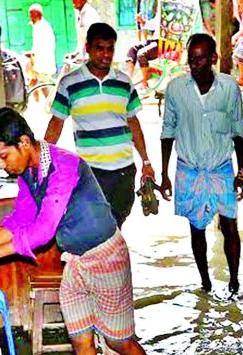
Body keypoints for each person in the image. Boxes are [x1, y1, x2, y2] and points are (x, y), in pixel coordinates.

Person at [0, 107, 172, 355]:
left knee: (119, 342)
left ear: (24, 143)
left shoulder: (63, 166)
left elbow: (43, 231)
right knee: (81, 340)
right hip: (75, 263)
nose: (1, 165)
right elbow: (20, 219)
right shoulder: (28, 174)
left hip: (106, 256)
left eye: (3, 156)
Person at [158, 33, 243, 296]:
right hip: (189, 168)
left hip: (221, 167)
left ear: (213, 59)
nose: (193, 65)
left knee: (230, 226)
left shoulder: (229, 88)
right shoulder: (176, 89)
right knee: (197, 228)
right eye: (191, 59)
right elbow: (167, 131)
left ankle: (234, 282)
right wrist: (164, 174)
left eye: (199, 59)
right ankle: (205, 283)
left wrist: (241, 172)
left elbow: (238, 130)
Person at [46, 23, 154, 228]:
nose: (105, 54)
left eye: (110, 48)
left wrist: (146, 162)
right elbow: (56, 123)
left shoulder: (124, 82)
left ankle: (113, 259)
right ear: (88, 48)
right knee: (96, 226)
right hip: (91, 171)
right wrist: (40, 160)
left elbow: (133, 123)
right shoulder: (69, 83)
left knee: (117, 224)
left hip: (124, 170)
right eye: (99, 48)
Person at [27, 3, 57, 102]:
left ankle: (50, 105)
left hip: (43, 61)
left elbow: (43, 46)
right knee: (33, 82)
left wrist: (33, 54)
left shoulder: (44, 28)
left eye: (33, 15)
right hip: (37, 60)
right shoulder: (37, 26)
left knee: (43, 84)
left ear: (39, 15)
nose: (31, 18)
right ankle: (37, 104)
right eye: (30, 15)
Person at [124, 13, 160, 89]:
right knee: (132, 50)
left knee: (142, 54)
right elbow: (153, 24)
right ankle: (129, 79)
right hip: (153, 41)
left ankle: (145, 83)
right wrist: (142, 21)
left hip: (164, 44)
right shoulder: (164, 8)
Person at [231, 0, 243, 89]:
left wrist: (236, 36)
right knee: (237, 51)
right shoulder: (236, 6)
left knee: (239, 53)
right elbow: (242, 25)